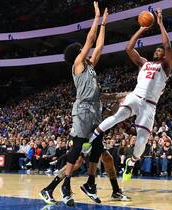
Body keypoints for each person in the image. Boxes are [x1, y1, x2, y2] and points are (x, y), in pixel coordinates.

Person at [89, 8, 172, 181]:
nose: (158, 51)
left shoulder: (165, 66)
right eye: (156, 50)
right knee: (118, 115)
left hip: (149, 105)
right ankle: (91, 138)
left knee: (142, 139)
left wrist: (160, 23)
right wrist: (142, 29)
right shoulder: (144, 63)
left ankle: (132, 162)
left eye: (160, 51)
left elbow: (168, 46)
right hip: (135, 96)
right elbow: (129, 48)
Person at [57, 2, 109, 206]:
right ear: (77, 53)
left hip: (96, 108)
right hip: (83, 108)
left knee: (97, 146)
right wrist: (96, 17)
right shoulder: (78, 65)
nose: (86, 50)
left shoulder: (90, 65)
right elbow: (90, 39)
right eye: (82, 49)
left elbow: (100, 46)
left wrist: (104, 24)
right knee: (78, 146)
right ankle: (66, 185)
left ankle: (90, 183)